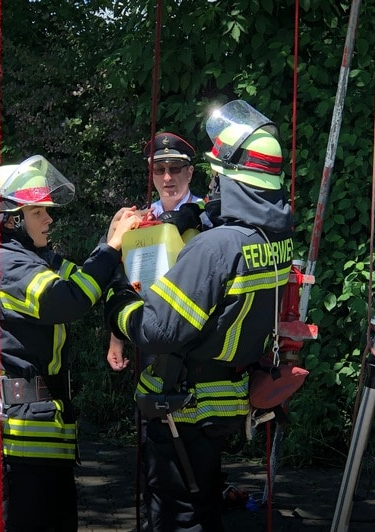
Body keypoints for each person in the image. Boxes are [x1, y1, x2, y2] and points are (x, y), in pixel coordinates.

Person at [104, 100, 294, 531]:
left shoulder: (215, 246)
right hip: (224, 397)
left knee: (178, 517)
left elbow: (159, 329)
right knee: (204, 504)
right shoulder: (274, 238)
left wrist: (118, 302)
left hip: (181, 404)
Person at [0, 155, 140, 532]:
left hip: (43, 429)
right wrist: (110, 248)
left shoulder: (33, 259)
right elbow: (67, 301)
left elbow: (84, 281)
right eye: (38, 212)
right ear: (11, 220)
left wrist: (112, 242)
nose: (49, 219)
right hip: (24, 437)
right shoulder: (8, 266)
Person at [106, 132, 203, 372]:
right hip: (150, 329)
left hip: (197, 333)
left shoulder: (208, 214)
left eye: (176, 168)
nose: (167, 177)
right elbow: (120, 280)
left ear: (190, 172)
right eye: (159, 170)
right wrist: (116, 338)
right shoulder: (137, 222)